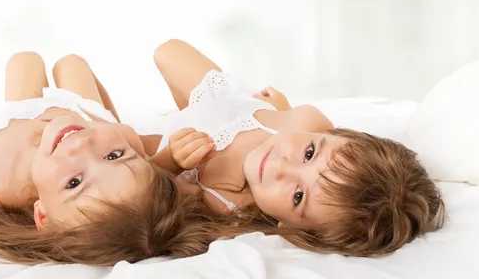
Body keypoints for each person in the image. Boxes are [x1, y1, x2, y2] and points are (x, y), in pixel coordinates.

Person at [0, 52, 236, 265]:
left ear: (42, 212)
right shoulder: (113, 139)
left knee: (24, 60)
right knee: (72, 62)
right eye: (115, 156)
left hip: (22, 118)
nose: (79, 148)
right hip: (84, 113)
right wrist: (171, 160)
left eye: (74, 182)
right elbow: (142, 180)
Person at [150, 39, 446, 256]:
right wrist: (280, 108)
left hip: (178, 142)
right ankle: (185, 106)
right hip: (226, 105)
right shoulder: (308, 120)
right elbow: (294, 119)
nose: (281, 166)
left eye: (298, 195)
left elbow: (150, 182)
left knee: (116, 133)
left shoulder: (223, 206)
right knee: (168, 51)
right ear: (334, 134)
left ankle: (167, 119)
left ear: (288, 227)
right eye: (309, 153)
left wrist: (172, 161)